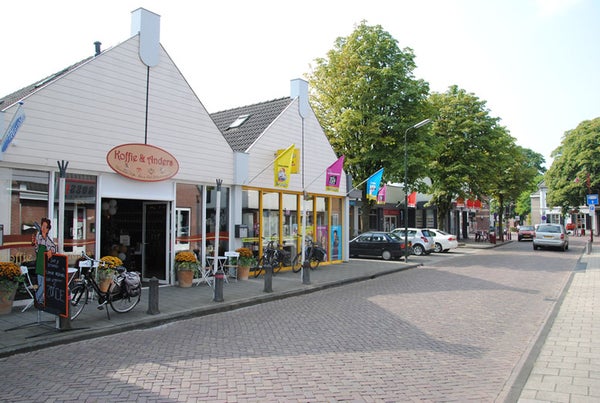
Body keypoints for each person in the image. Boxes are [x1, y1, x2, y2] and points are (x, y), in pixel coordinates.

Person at [31, 218, 57, 307]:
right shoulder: (39, 237)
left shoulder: (48, 240)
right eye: (42, 226)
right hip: (39, 263)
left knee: (44, 284)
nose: (43, 228)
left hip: (45, 264)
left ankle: (37, 299)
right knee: (41, 284)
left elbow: (53, 248)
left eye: (45, 227)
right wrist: (35, 243)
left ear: (48, 229)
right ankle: (39, 299)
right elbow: (36, 247)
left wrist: (50, 251)